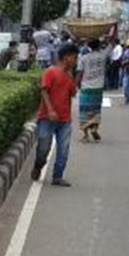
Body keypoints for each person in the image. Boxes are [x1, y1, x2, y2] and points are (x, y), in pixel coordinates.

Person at [33, 44, 80, 187]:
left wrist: (73, 76)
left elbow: (73, 93)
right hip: (47, 118)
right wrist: (50, 110)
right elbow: (44, 91)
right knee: (43, 147)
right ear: (66, 58)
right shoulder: (50, 72)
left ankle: (57, 176)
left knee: (63, 150)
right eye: (74, 57)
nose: (76, 60)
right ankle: (38, 166)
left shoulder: (68, 76)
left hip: (64, 119)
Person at [76, 37, 111, 142]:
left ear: (89, 46)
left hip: (86, 88)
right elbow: (112, 42)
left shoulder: (84, 58)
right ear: (99, 45)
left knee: (84, 112)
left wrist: (76, 85)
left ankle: (86, 135)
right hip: (98, 88)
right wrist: (114, 27)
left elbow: (79, 73)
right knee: (96, 110)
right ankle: (94, 128)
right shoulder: (103, 56)